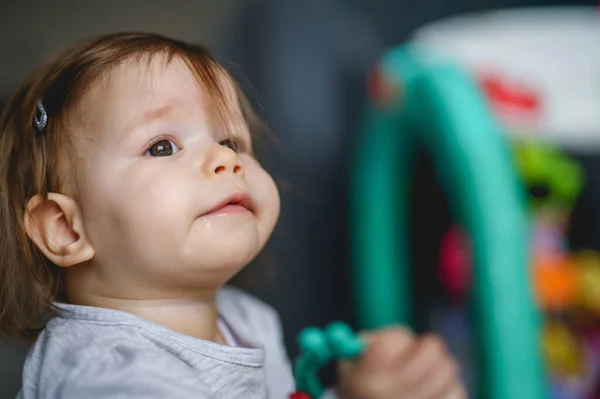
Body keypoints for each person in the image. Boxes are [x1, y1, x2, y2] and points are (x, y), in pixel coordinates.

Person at [0, 32, 465, 399]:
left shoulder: (245, 318)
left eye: (231, 142)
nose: (228, 162)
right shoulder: (106, 371)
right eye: (162, 146)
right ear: (66, 229)